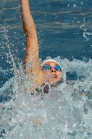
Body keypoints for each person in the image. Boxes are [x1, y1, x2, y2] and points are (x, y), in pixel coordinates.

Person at [20, 0, 63, 93]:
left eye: (57, 68)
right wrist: (24, 3)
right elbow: (31, 37)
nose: (53, 70)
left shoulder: (69, 90)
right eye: (47, 67)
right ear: (39, 72)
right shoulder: (35, 85)